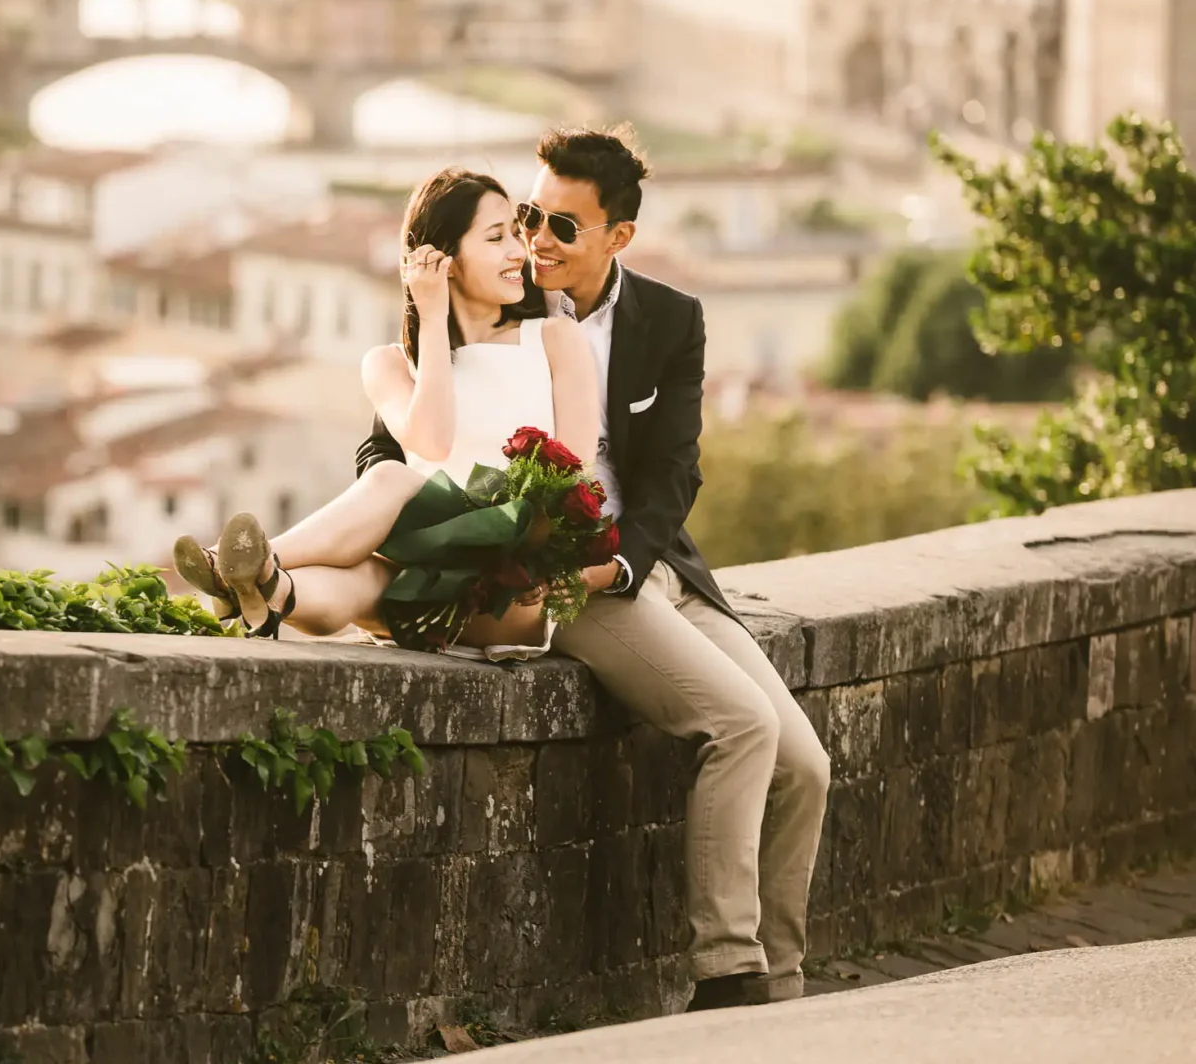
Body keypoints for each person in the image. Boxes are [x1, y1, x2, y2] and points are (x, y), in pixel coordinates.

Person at [357, 126, 831, 1012]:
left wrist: (632, 567)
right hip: (559, 574)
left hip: (655, 570)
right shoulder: (500, 306)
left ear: (619, 237)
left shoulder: (669, 321)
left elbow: (671, 476)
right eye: (529, 217)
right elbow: (397, 446)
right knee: (740, 728)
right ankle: (730, 974)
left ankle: (787, 982)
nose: (536, 241)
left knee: (807, 765)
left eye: (563, 227)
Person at [171, 166, 603, 653]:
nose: (517, 251)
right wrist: (434, 320)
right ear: (444, 260)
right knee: (362, 578)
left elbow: (578, 476)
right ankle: (265, 587)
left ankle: (230, 569)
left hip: (506, 588)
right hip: (416, 586)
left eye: (513, 235)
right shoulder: (390, 366)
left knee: (392, 479)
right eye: (495, 237)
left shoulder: (553, 340)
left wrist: (541, 557)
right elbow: (432, 439)